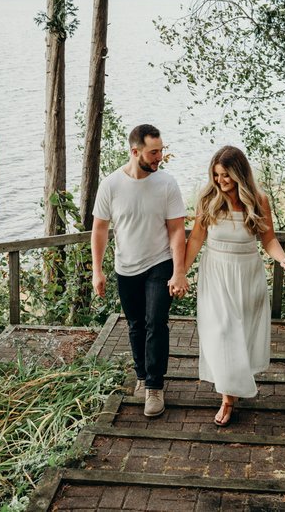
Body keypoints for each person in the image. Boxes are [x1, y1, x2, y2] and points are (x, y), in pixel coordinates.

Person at [183, 146, 285, 426]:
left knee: (240, 334)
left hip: (247, 274)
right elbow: (195, 239)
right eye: (217, 175)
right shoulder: (208, 199)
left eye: (226, 176)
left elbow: (268, 240)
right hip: (216, 273)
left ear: (239, 174)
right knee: (221, 331)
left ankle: (231, 390)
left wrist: (283, 259)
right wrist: (180, 273)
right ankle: (227, 399)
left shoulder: (258, 200)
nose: (221, 181)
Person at [91, 124, 189, 418]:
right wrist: (97, 270)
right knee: (135, 324)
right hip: (126, 267)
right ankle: (143, 376)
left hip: (159, 263)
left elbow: (176, 231)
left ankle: (155, 387)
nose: (160, 156)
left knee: (155, 322)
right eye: (154, 152)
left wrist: (179, 271)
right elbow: (99, 229)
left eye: (160, 150)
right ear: (135, 152)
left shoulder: (167, 184)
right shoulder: (111, 185)